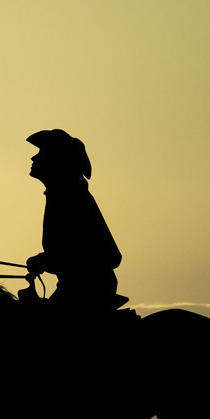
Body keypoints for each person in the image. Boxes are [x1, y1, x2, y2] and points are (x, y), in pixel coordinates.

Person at [22, 129, 127, 315]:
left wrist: (45, 260)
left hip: (85, 292)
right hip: (79, 288)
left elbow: (106, 254)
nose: (33, 158)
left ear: (56, 160)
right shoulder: (63, 195)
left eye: (41, 153)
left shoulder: (70, 197)